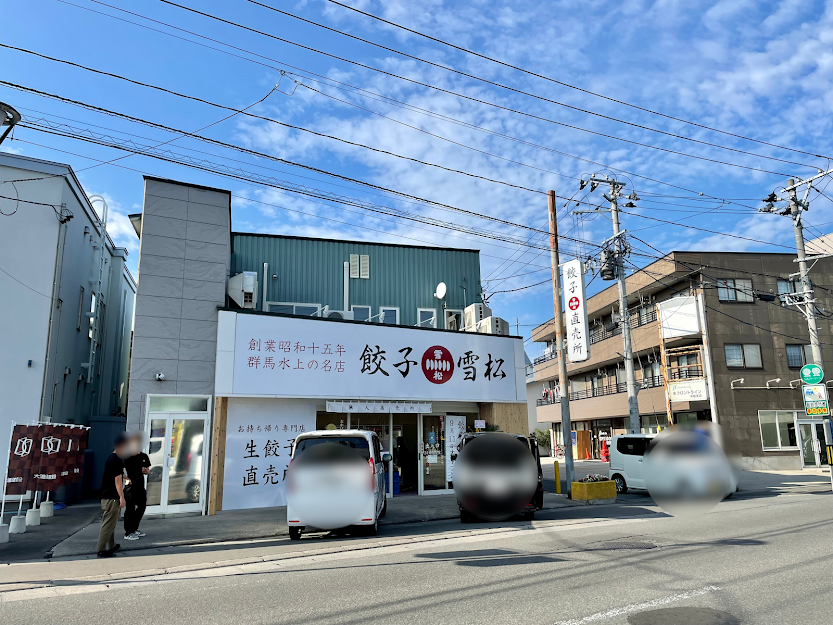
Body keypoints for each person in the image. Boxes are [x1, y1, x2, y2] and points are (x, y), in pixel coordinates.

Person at [97, 432, 130, 557]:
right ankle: (101, 549)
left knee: (111, 523)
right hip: (112, 497)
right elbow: (117, 481)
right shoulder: (117, 460)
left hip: (107, 495)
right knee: (108, 524)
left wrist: (126, 477)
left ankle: (111, 545)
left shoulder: (112, 458)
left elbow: (118, 474)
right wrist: (122, 498)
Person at [123, 431, 151, 541]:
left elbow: (147, 470)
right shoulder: (127, 457)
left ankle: (134, 528)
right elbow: (119, 471)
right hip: (130, 487)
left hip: (140, 486)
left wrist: (145, 471)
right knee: (130, 509)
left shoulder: (144, 456)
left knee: (142, 506)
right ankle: (128, 532)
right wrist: (126, 479)